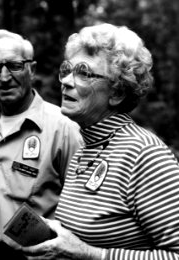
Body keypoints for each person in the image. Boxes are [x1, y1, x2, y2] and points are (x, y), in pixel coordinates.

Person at [21, 23, 179, 260]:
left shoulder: (145, 155)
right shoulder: (85, 150)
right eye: (67, 69)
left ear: (116, 93)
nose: (66, 81)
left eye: (84, 73)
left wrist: (91, 254)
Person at [0, 29, 83, 260]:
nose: (5, 77)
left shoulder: (63, 128)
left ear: (32, 69)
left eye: (15, 66)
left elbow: (87, 207)